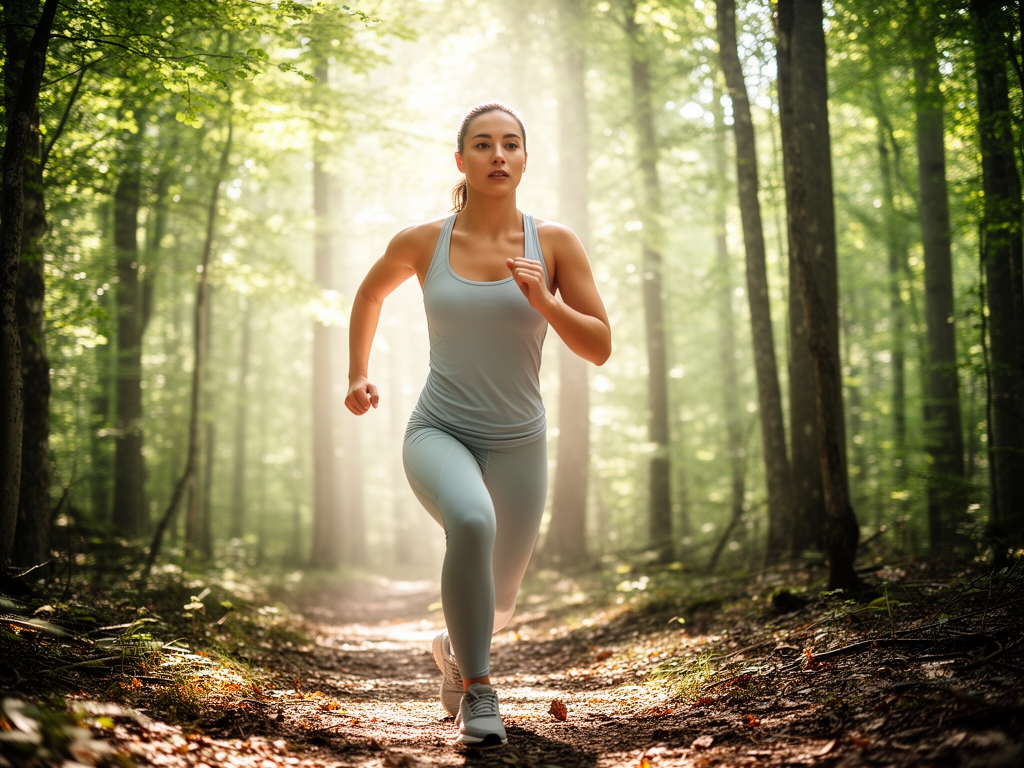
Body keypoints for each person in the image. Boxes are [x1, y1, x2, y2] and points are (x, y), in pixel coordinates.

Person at [345, 102, 611, 746]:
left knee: (500, 603)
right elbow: (370, 293)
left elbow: (600, 346)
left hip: (521, 443)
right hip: (440, 430)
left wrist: (545, 300)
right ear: (461, 159)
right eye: (484, 144)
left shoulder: (554, 243)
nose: (498, 154)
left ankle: (453, 648)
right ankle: (479, 691)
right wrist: (357, 372)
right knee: (470, 521)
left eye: (511, 144)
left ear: (525, 159)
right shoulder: (423, 241)